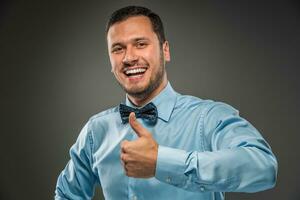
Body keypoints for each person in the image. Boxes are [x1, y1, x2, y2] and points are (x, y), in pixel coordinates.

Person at [55, 5, 277, 200]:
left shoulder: (207, 117)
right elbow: (66, 195)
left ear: (165, 50)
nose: (129, 57)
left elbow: (264, 167)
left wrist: (161, 162)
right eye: (118, 48)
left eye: (140, 44)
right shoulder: (96, 131)